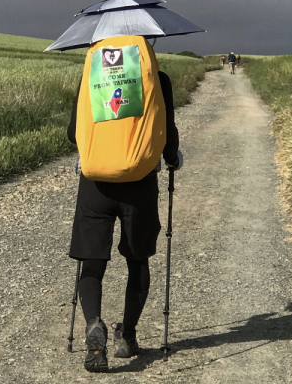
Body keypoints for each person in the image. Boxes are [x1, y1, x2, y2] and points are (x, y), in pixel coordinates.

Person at [67, 45, 182, 372]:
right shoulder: (158, 79)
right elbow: (166, 134)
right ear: (145, 47)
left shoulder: (91, 77)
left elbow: (71, 132)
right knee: (137, 260)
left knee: (91, 260)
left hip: (95, 185)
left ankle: (93, 324)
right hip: (140, 182)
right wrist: (173, 159)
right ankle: (127, 336)